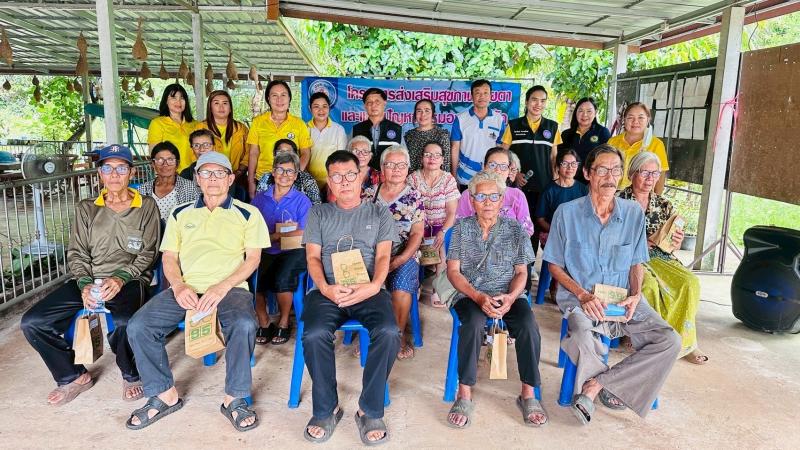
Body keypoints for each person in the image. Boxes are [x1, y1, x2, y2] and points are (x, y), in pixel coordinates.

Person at [126, 152, 269, 432]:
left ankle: (234, 398)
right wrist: (179, 286)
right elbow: (169, 257)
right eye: (206, 173)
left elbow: (253, 259)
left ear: (230, 179)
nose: (212, 179)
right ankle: (164, 394)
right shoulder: (180, 213)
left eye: (219, 173)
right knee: (139, 325)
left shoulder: (248, 213)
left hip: (230, 288)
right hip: (187, 287)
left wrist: (222, 286)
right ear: (197, 179)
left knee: (243, 324)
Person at [543, 144, 681, 424]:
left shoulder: (632, 213)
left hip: (623, 299)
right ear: (587, 173)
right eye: (602, 170)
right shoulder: (566, 213)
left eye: (616, 170)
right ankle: (608, 387)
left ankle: (596, 386)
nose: (610, 177)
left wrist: (636, 295)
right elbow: (554, 265)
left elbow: (636, 262)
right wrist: (582, 295)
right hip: (582, 300)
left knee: (669, 340)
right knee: (581, 337)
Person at [21, 144, 160, 406]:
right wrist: (85, 283)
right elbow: (77, 252)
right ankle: (73, 376)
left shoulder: (146, 206)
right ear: (100, 174)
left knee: (124, 321)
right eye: (108, 168)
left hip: (130, 279)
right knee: (33, 322)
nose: (114, 174)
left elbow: (148, 253)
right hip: (89, 278)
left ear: (132, 172)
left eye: (121, 168)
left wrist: (120, 278)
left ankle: (131, 374)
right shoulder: (87, 207)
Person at [301, 150, 400, 445]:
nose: (344, 181)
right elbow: (312, 258)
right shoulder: (319, 213)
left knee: (389, 332)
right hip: (328, 291)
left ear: (361, 177)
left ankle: (369, 409)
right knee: (314, 334)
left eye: (350, 175)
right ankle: (326, 409)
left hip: (368, 289)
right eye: (337, 177)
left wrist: (374, 285)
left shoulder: (379, 212)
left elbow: (383, 256)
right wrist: (325, 288)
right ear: (329, 181)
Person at [445, 171, 544, 429]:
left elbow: (522, 273)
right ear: (472, 200)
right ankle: (464, 393)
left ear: (502, 200)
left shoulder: (516, 230)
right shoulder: (461, 229)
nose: (487, 202)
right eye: (480, 197)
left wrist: (511, 297)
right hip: (470, 293)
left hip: (507, 293)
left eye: (493, 196)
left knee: (528, 326)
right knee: (473, 324)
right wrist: (478, 296)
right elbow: (453, 271)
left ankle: (528, 393)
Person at [618, 152, 707, 365]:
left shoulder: (664, 205)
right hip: (628, 257)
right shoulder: (618, 200)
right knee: (647, 285)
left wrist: (676, 239)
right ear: (632, 174)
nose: (650, 178)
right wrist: (640, 242)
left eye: (655, 173)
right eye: (645, 173)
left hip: (659, 256)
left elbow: (672, 242)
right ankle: (644, 338)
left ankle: (686, 342)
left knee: (689, 282)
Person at [364, 145, 424, 360]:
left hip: (403, 252)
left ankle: (397, 335)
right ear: (382, 168)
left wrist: (399, 259)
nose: (396, 169)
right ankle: (369, 334)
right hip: (371, 252)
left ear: (408, 168)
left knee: (401, 286)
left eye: (401, 165)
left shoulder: (415, 197)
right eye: (390, 165)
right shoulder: (369, 194)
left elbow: (417, 234)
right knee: (363, 282)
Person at [251, 151, 311, 345]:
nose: (284, 175)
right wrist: (272, 238)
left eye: (290, 171)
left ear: (296, 175)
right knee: (253, 278)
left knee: (283, 277)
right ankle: (264, 321)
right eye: (280, 170)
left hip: (293, 250)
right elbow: (251, 228)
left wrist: (277, 236)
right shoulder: (259, 199)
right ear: (272, 172)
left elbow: (305, 231)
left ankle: (284, 321)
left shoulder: (302, 200)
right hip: (265, 249)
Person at [503, 85, 561, 252]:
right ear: (527, 101)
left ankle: (530, 262)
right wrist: (515, 174)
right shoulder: (514, 125)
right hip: (519, 188)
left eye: (542, 101)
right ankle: (517, 261)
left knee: (537, 227)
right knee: (518, 225)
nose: (538, 104)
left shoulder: (552, 127)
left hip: (544, 187)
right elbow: (503, 154)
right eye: (534, 100)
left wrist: (555, 181)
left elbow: (554, 157)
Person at [407, 141, 459, 307]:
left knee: (442, 251)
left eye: (437, 155)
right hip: (417, 226)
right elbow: (408, 208)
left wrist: (442, 232)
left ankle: (438, 288)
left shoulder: (448, 179)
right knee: (412, 250)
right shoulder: (413, 179)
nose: (432, 158)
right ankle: (415, 285)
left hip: (441, 226)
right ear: (422, 158)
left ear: (443, 159)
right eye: (428, 154)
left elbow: (452, 212)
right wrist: (418, 230)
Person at [247, 80, 312, 198]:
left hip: (290, 181)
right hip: (262, 179)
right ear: (268, 99)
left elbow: (306, 153)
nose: (279, 100)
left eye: (283, 95)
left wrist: (294, 174)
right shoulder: (258, 122)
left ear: (289, 98)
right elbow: (253, 153)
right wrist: (250, 181)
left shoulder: (299, 124)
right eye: (274, 95)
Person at [456, 147, 534, 237]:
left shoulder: (517, 195)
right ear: (484, 167)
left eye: (503, 166)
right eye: (492, 165)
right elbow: (459, 227)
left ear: (509, 170)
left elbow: (527, 230)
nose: (497, 170)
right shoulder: (468, 194)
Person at [451, 80, 507, 190]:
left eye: (486, 92)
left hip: (490, 177)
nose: (482, 96)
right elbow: (455, 148)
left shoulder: (498, 119)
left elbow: (501, 149)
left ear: (491, 96)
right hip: (465, 177)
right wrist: (453, 176)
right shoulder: (460, 119)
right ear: (471, 96)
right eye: (478, 93)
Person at [608, 102, 669, 194]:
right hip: (613, 193)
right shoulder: (613, 142)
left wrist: (655, 198)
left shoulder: (656, 144)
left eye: (641, 117)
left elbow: (660, 176)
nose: (635, 122)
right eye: (630, 117)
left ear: (648, 120)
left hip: (640, 195)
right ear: (624, 119)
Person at [196, 90, 250, 189]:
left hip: (237, 179)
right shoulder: (201, 128)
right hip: (209, 179)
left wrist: (239, 172)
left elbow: (248, 153)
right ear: (210, 108)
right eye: (216, 103)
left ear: (230, 108)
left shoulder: (241, 129)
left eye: (225, 103)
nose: (221, 107)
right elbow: (194, 154)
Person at [534, 149, 589, 244]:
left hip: (578, 238)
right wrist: (558, 232)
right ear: (558, 167)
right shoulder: (549, 191)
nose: (570, 167)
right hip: (556, 239)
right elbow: (540, 219)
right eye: (565, 164)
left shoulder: (583, 190)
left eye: (574, 164)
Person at [137, 141, 200, 221]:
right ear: (153, 164)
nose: (165, 164)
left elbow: (196, 217)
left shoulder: (190, 188)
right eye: (160, 160)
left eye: (170, 160)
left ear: (177, 164)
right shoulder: (143, 189)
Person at [558, 97, 611, 184]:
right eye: (581, 111)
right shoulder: (566, 134)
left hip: (593, 182)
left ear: (595, 112)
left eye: (589, 111)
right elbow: (559, 160)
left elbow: (608, 159)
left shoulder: (602, 132)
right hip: (569, 182)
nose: (584, 115)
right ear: (576, 112)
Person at [148, 83, 198, 173]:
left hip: (195, 174)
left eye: (182, 98)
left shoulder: (195, 124)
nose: (178, 102)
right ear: (166, 101)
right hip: (172, 174)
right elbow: (155, 154)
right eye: (173, 98)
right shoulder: (157, 123)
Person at [256, 139, 322, 205]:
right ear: (274, 154)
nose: (284, 155)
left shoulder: (307, 180)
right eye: (281, 152)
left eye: (289, 152)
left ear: (296, 155)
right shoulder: (266, 178)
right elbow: (258, 204)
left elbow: (316, 206)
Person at [352, 87, 402, 170]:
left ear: (385, 103)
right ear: (365, 106)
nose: (373, 105)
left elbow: (403, 156)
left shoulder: (397, 129)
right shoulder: (356, 129)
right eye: (369, 102)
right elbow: (350, 156)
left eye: (377, 102)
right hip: (364, 175)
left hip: (389, 174)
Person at [307, 91, 347, 190]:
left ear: (329, 108)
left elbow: (341, 158)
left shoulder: (338, 130)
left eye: (324, 106)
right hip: (308, 182)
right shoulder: (304, 129)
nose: (321, 110)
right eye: (316, 106)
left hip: (332, 182)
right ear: (310, 109)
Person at [404, 99, 451, 172]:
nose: (423, 114)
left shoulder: (442, 135)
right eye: (419, 111)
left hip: (434, 178)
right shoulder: (409, 135)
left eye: (427, 111)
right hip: (411, 178)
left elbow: (446, 164)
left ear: (433, 114)